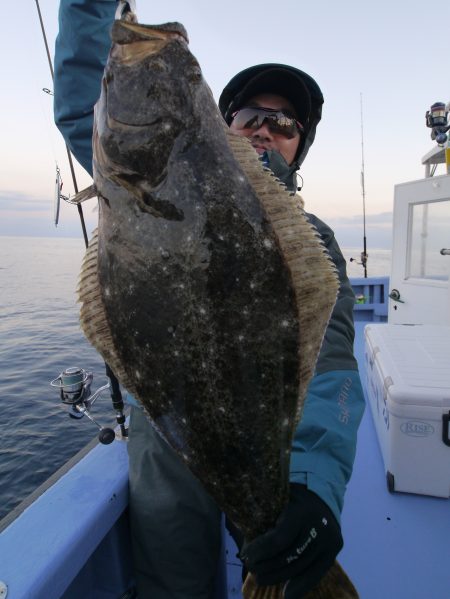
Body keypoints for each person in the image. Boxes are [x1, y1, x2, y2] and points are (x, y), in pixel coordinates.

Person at [54, 2, 365, 598]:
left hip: (270, 441)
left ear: (300, 145)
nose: (266, 129)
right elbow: (81, 101)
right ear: (218, 123)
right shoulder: (133, 164)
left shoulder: (314, 239)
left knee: (283, 556)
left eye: (286, 123)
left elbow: (329, 363)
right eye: (250, 114)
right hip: (166, 434)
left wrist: (314, 486)